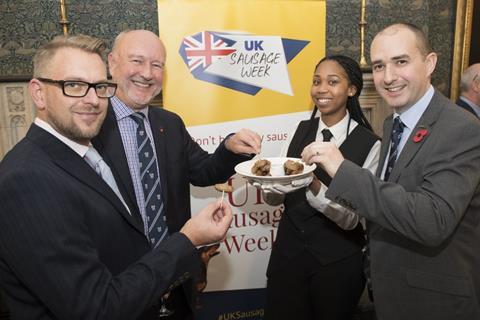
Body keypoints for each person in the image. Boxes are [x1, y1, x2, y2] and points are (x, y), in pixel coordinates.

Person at [0, 34, 234, 320]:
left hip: (154, 296)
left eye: (99, 87)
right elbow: (95, 308)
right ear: (38, 92)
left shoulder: (82, 151)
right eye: (73, 85)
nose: (92, 100)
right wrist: (187, 240)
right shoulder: (26, 179)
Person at [302, 23, 480, 320]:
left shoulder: (461, 129)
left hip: (434, 302)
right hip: (389, 294)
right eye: (379, 66)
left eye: (401, 62)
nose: (388, 77)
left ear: (430, 63)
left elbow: (432, 220)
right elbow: (387, 202)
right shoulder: (393, 123)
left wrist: (343, 169)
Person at [91, 29, 261, 319]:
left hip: (176, 280)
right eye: (137, 61)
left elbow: (204, 172)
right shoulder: (89, 126)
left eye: (157, 65)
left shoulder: (169, 124)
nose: (147, 73)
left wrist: (231, 147)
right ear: (112, 63)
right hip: (118, 289)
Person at [258, 55, 380, 320]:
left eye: (332, 81)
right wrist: (269, 183)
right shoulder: (297, 131)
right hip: (287, 260)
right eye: (316, 81)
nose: (321, 88)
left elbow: (351, 220)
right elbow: (272, 200)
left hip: (337, 267)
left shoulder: (371, 145)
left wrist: (312, 185)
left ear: (351, 89)